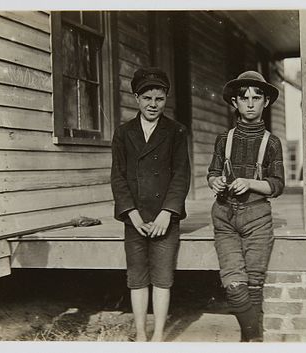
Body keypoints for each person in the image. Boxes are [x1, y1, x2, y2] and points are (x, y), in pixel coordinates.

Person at [110, 67, 191, 342]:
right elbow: (118, 177)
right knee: (137, 278)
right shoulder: (123, 133)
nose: (153, 104)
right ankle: (141, 335)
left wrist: (167, 213)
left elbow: (181, 175)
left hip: (164, 219)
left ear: (165, 98)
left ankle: (157, 337)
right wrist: (131, 215)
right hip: (136, 218)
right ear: (136, 98)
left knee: (162, 277)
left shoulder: (177, 131)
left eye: (159, 98)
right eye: (147, 98)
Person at [207, 71, 285, 342]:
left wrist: (250, 183)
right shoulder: (223, 139)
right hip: (225, 217)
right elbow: (213, 173)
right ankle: (256, 339)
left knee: (253, 284)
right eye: (244, 98)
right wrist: (215, 182)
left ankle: (249, 341)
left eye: (257, 98)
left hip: (257, 218)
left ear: (266, 103)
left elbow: (276, 185)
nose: (250, 104)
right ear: (234, 103)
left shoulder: (271, 142)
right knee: (234, 283)